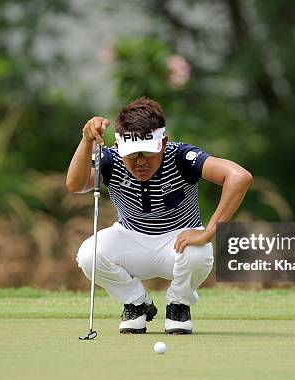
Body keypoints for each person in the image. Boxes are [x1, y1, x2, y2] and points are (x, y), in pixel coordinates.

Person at [66, 97, 252, 334]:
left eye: (147, 153)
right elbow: (75, 184)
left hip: (177, 244)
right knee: (88, 255)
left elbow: (239, 177)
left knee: (199, 252)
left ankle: (179, 304)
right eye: (132, 155)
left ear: (163, 143)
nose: (140, 162)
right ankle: (136, 304)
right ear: (118, 146)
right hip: (130, 239)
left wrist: (209, 231)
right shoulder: (111, 159)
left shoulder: (181, 156)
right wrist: (86, 140)